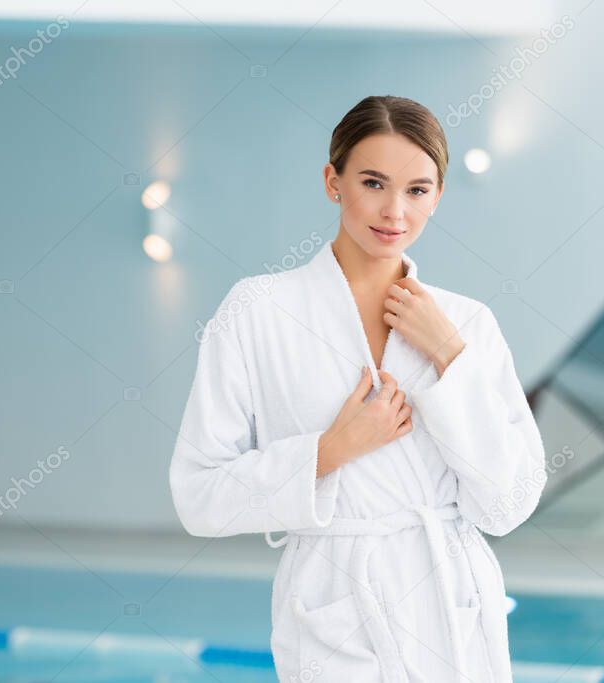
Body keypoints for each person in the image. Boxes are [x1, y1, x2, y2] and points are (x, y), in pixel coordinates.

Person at [168, 95, 546, 682]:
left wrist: (449, 356)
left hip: (453, 604)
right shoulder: (259, 311)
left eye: (418, 190)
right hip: (335, 606)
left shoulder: (466, 324)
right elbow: (199, 496)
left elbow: (509, 503)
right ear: (333, 182)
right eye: (373, 182)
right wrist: (329, 451)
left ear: (438, 196)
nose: (395, 211)